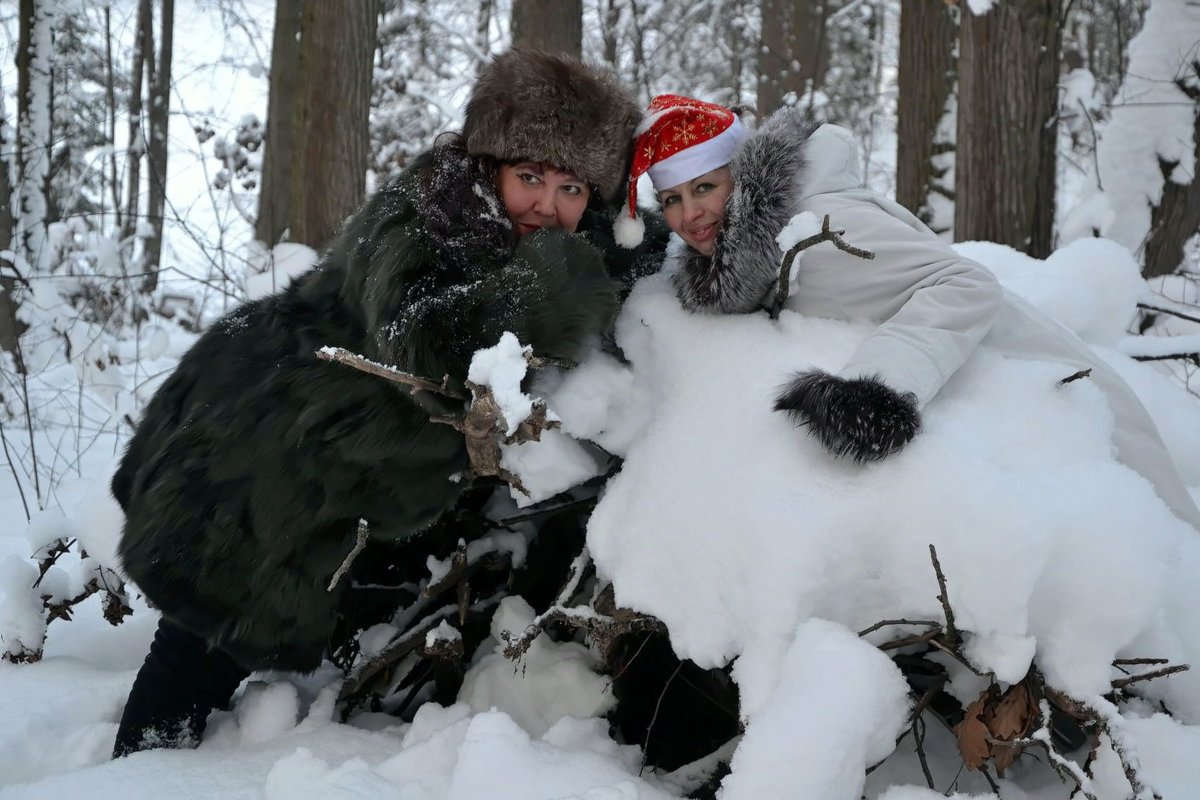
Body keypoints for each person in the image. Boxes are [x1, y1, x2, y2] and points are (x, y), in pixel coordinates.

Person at [109, 49, 661, 758]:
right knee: (199, 648)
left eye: (571, 189)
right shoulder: (426, 214)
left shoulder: (554, 247)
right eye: (529, 177)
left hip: (333, 464)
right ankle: (132, 777)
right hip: (256, 437)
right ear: (492, 166)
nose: (547, 207)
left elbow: (616, 268)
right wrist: (556, 285)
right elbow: (425, 344)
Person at [617, 93, 1200, 529]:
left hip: (1067, 405)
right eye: (672, 199)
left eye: (705, 187)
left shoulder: (816, 232)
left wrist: (877, 392)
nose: (690, 214)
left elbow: (967, 286)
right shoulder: (766, 243)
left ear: (741, 177)